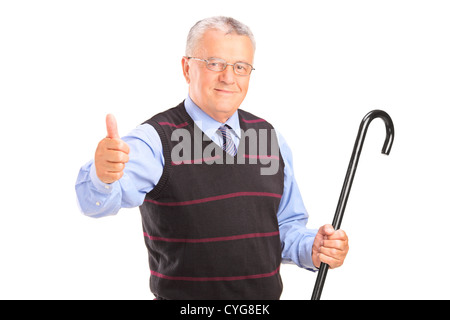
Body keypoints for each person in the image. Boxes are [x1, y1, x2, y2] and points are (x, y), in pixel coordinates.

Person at [75, 16, 349, 300]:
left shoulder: (269, 139)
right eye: (215, 63)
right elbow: (95, 203)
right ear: (187, 68)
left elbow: (284, 229)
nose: (228, 77)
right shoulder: (156, 140)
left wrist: (313, 249)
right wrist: (102, 175)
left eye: (240, 67)